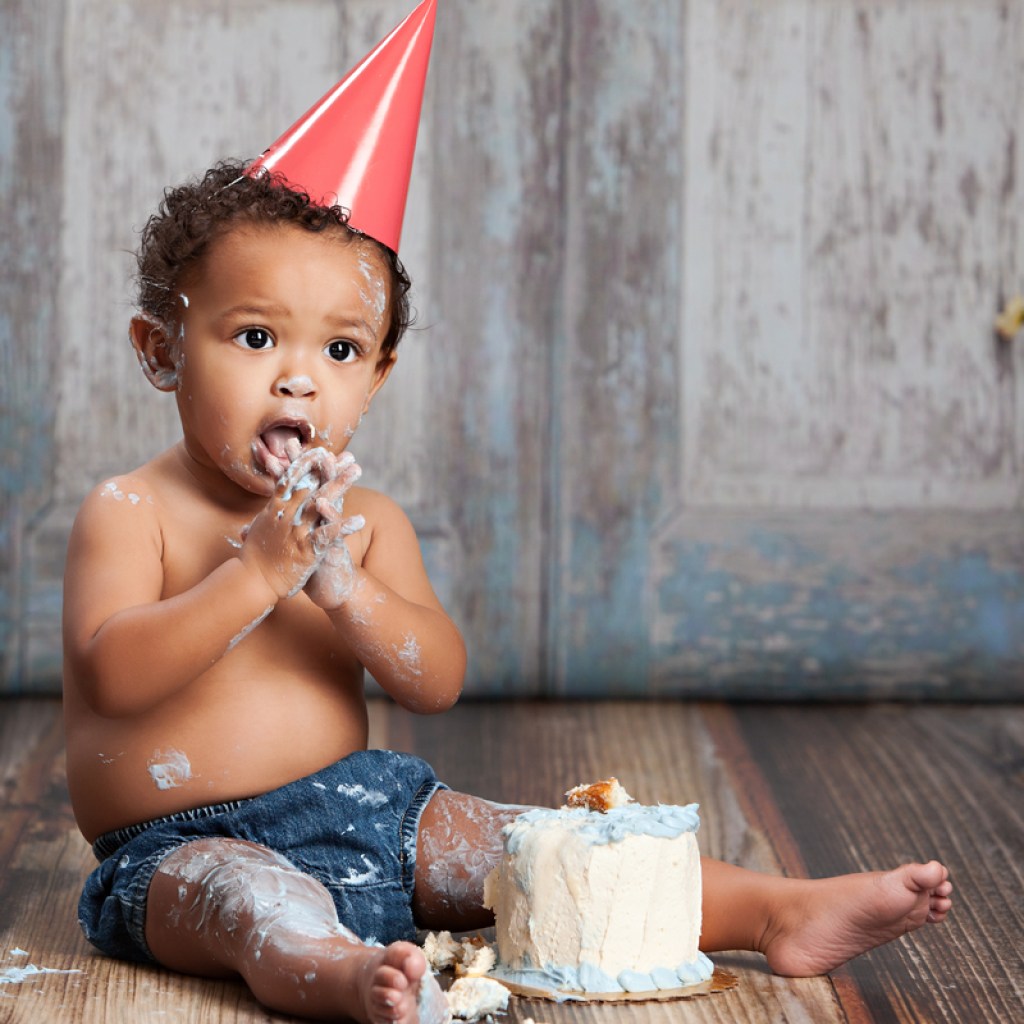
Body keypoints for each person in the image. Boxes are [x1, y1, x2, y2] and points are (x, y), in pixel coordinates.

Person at [62, 160, 953, 1024]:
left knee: (544, 849)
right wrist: (254, 574)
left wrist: (343, 589)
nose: (299, 378)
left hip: (365, 807)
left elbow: (434, 680)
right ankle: (343, 972)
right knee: (252, 903)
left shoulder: (365, 526)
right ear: (162, 349)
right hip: (176, 847)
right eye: (256, 337)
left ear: (375, 377)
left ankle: (772, 911)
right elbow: (115, 678)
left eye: (339, 349)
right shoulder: (131, 511)